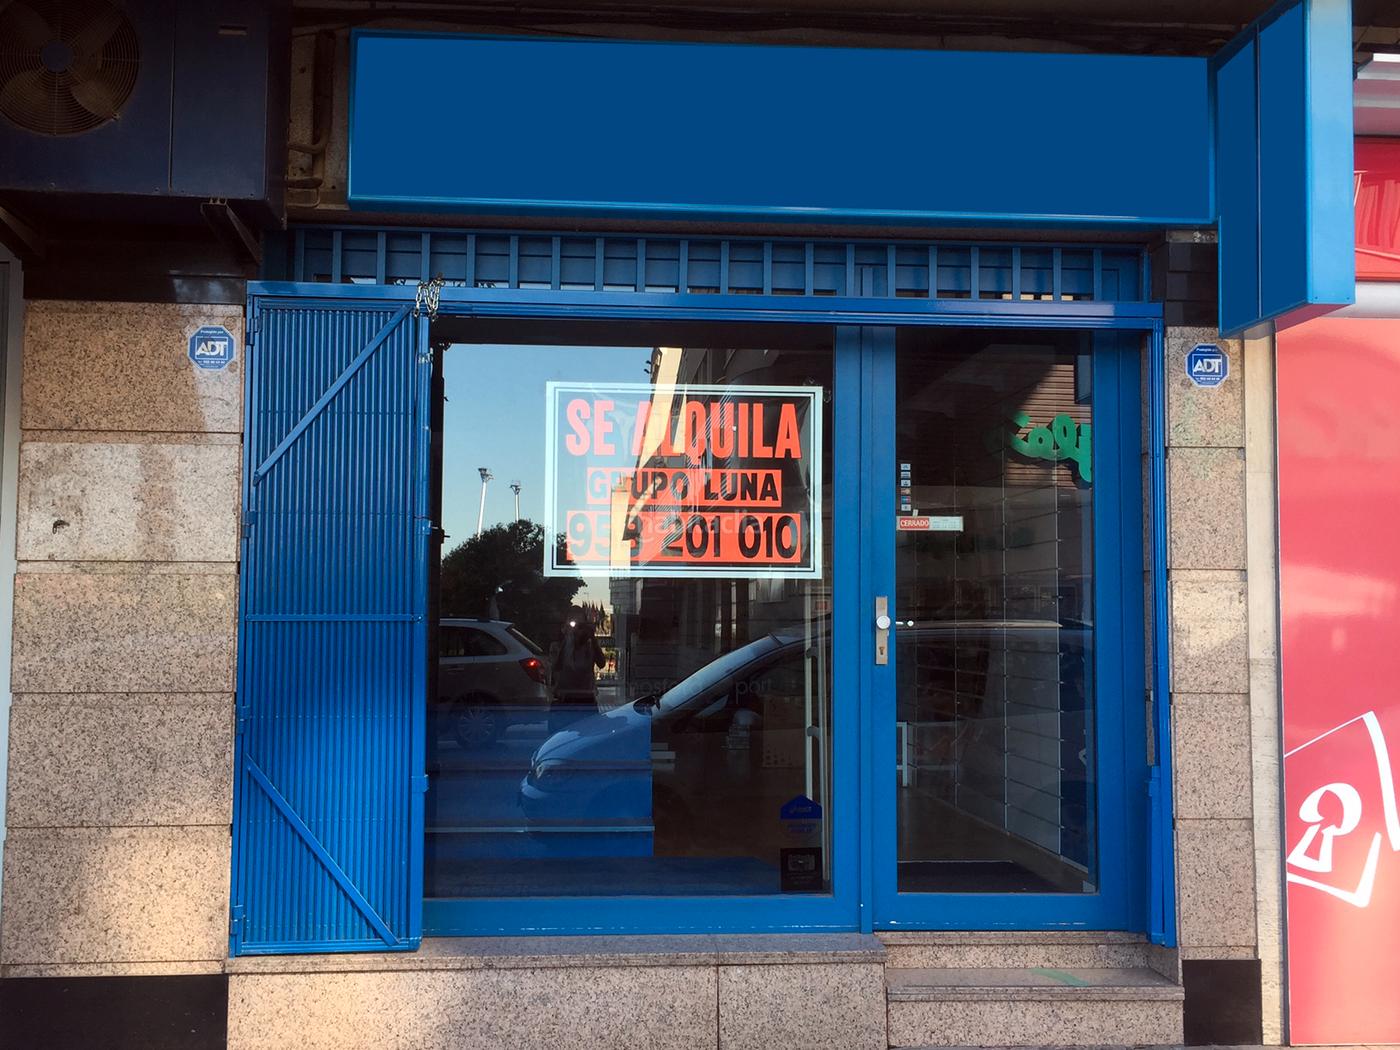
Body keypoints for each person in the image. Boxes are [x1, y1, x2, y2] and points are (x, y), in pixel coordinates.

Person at [549, 608, 606, 732]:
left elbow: (601, 663)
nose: (577, 629)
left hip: (586, 698)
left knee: (588, 735)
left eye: (581, 625)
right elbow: (556, 666)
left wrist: (592, 638)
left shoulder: (590, 645)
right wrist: (567, 639)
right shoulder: (558, 645)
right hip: (565, 698)